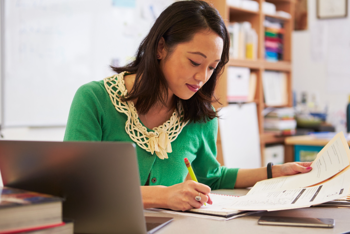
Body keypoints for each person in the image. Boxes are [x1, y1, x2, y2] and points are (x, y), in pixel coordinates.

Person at [64, 0, 312, 212]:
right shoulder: (94, 100)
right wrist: (161, 196)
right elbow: (76, 186)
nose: (202, 77)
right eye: (195, 62)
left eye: (212, 67)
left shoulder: (201, 116)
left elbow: (211, 177)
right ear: (161, 48)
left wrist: (274, 173)